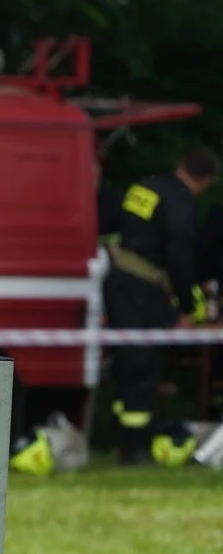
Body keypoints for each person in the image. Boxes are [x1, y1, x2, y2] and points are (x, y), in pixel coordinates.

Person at [102, 145, 218, 466]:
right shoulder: (179, 201)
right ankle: (136, 451)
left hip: (119, 282)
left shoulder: (144, 187)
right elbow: (180, 256)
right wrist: (186, 303)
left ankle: (120, 442)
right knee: (143, 366)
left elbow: (114, 224)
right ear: (205, 180)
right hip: (144, 291)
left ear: (181, 163)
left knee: (126, 362)